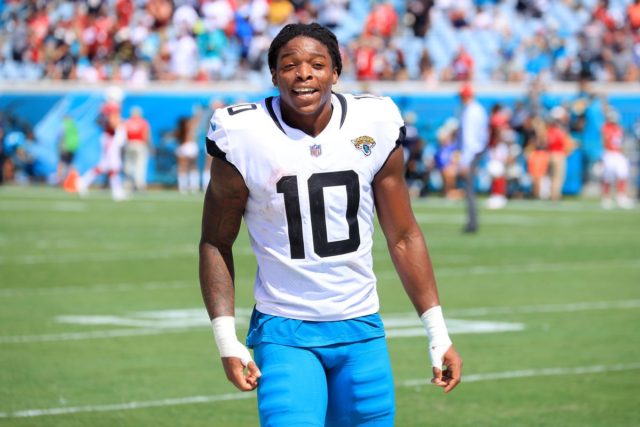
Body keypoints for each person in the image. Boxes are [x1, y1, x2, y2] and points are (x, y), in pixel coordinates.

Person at [199, 23, 462, 427]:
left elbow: (403, 235)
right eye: (290, 65)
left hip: (362, 329)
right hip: (285, 330)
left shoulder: (374, 121)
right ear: (274, 75)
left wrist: (438, 332)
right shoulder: (243, 134)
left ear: (336, 72)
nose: (304, 74)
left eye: (317, 65)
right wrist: (225, 339)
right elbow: (216, 242)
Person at [77, 86, 127, 201]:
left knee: (106, 165)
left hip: (108, 136)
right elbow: (113, 123)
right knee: (113, 165)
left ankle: (84, 182)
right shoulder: (112, 107)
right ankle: (116, 192)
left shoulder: (104, 107)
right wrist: (121, 125)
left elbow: (100, 121)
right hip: (111, 138)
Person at [457, 83, 488, 233]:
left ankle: (472, 223)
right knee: (469, 189)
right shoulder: (479, 109)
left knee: (469, 189)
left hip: (472, 153)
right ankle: (472, 222)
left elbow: (469, 138)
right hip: (478, 150)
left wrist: (465, 161)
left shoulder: (470, 112)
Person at [600, 110, 634, 209]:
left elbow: (620, 142)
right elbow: (604, 140)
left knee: (623, 174)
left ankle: (621, 196)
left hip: (618, 153)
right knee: (608, 177)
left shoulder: (619, 128)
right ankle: (606, 197)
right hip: (609, 153)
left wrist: (622, 152)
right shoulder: (605, 127)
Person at [123, 106, 151, 192]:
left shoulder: (127, 122)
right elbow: (146, 135)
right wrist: (149, 146)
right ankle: (139, 184)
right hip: (140, 144)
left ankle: (129, 183)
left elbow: (123, 136)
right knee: (140, 165)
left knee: (129, 165)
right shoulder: (143, 122)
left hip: (129, 144)